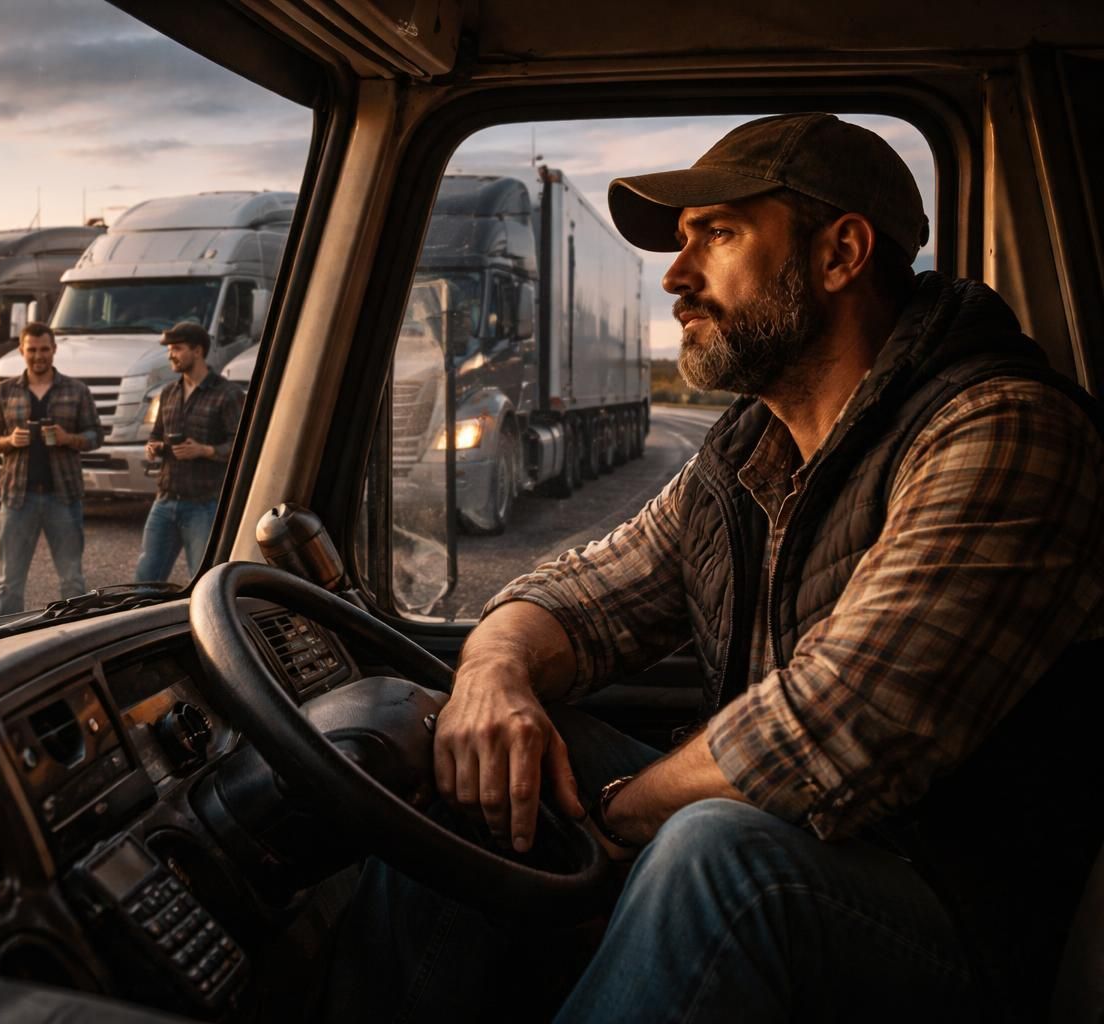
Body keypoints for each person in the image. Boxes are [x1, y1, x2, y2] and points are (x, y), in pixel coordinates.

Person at [327, 113, 1104, 1022]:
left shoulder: (1001, 428)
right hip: (804, 850)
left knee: (713, 855)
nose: (676, 277)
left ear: (840, 253)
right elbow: (576, 595)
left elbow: (836, 726)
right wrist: (493, 678)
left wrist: (616, 821)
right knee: (475, 761)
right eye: (682, 243)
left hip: (965, 923)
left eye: (719, 234)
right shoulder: (748, 453)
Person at [0, 322, 101, 615]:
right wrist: (8, 440)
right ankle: (4, 646)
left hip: (64, 498)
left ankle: (76, 641)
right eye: (31, 350)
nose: (38, 356)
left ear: (54, 350)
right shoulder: (4, 392)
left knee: (72, 581)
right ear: (22, 350)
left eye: (44, 349)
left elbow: (96, 435)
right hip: (18, 499)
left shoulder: (77, 390)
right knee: (10, 583)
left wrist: (68, 438)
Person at [135, 321, 244, 582]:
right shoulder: (168, 393)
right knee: (145, 582)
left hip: (205, 505)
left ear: (198, 351)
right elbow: (156, 434)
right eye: (170, 349)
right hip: (164, 500)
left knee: (205, 581)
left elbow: (242, 448)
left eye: (177, 348)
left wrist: (205, 450)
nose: (170, 354)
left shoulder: (228, 394)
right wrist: (153, 447)